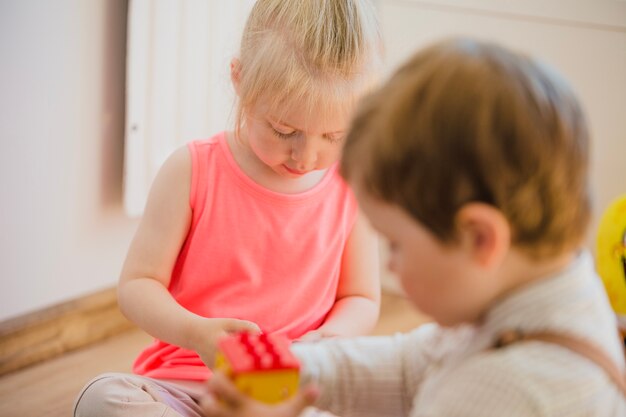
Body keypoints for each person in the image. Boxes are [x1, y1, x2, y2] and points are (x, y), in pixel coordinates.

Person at [198, 38, 626, 417]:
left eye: (396, 244)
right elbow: (408, 369)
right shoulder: (531, 299)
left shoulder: (508, 393)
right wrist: (296, 369)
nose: (392, 266)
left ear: (479, 239)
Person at [73, 1, 382, 416]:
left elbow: (361, 297)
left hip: (290, 397)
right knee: (102, 399)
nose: (306, 156)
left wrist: (331, 338)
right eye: (283, 130)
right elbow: (137, 286)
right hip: (188, 389)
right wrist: (197, 333)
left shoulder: (350, 186)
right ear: (239, 79)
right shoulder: (191, 169)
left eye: (333, 135)